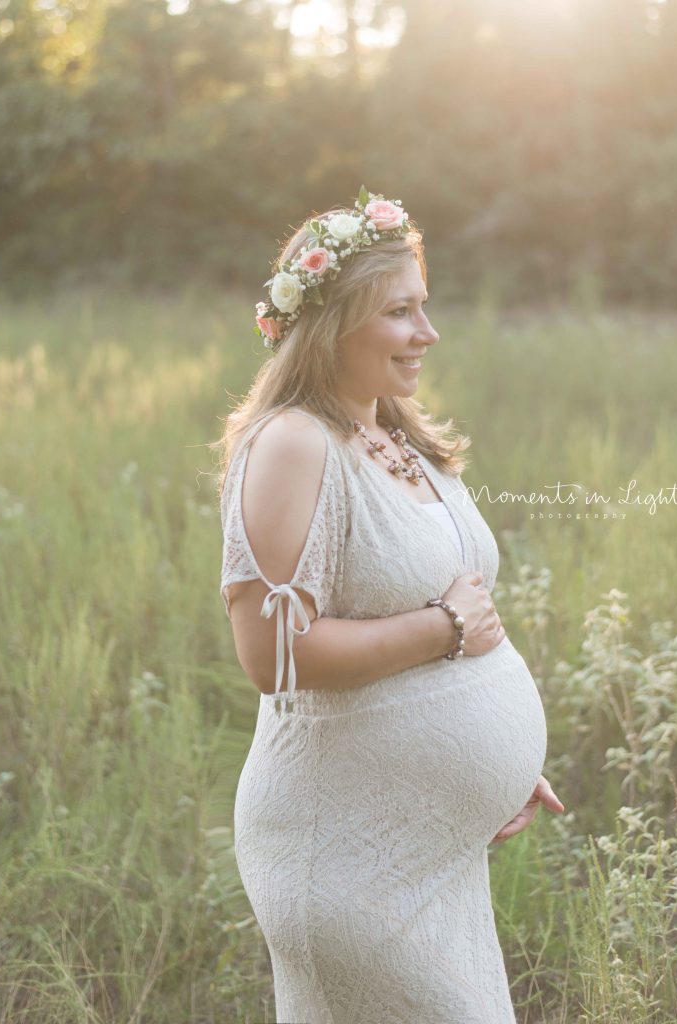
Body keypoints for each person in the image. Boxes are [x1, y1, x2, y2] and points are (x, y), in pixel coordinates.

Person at [214, 186, 565, 1024]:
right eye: (401, 312)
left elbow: (459, 613)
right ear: (334, 324)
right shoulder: (296, 443)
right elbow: (272, 657)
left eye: (424, 307)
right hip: (345, 863)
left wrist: (496, 772)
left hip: (425, 848)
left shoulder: (393, 435)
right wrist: (442, 631)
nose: (427, 334)